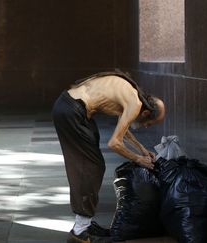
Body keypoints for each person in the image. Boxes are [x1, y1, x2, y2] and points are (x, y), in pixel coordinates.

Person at [52, 71, 165, 243]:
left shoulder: (133, 95)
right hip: (72, 111)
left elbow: (124, 129)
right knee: (89, 168)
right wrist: (138, 159)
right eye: (151, 123)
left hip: (72, 107)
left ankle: (85, 225)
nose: (148, 127)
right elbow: (114, 143)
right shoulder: (134, 103)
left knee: (92, 166)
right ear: (145, 113)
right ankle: (80, 232)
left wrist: (141, 148)